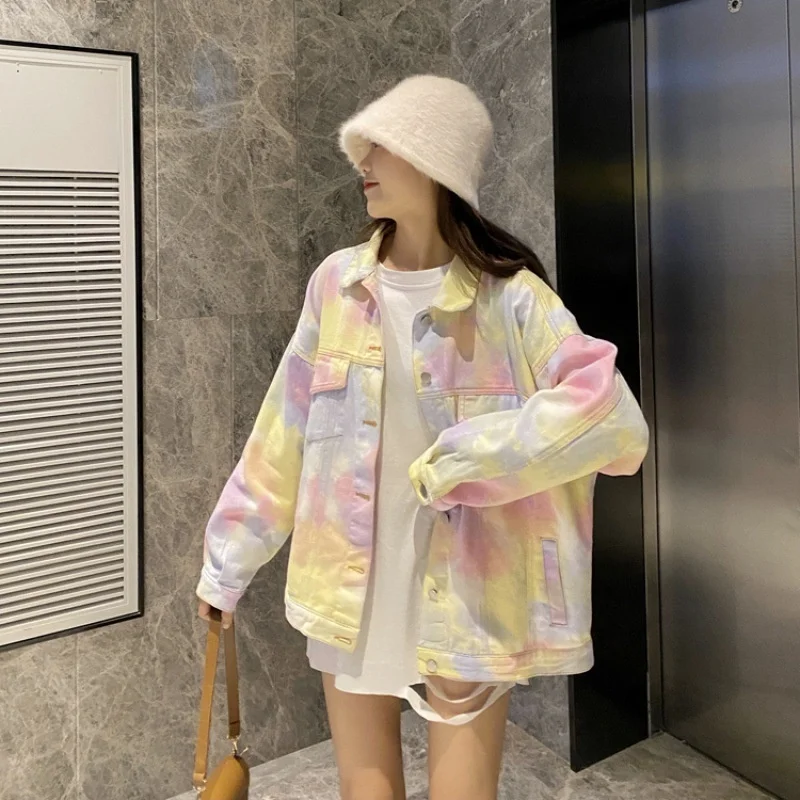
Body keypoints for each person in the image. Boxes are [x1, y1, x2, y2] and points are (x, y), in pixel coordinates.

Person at [196, 75, 649, 800]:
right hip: (348, 589)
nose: (362, 161)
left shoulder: (510, 297)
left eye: (382, 145)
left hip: (468, 592)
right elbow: (283, 431)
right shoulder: (338, 285)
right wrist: (228, 563)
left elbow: (614, 421)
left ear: (435, 162)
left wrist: (471, 460)